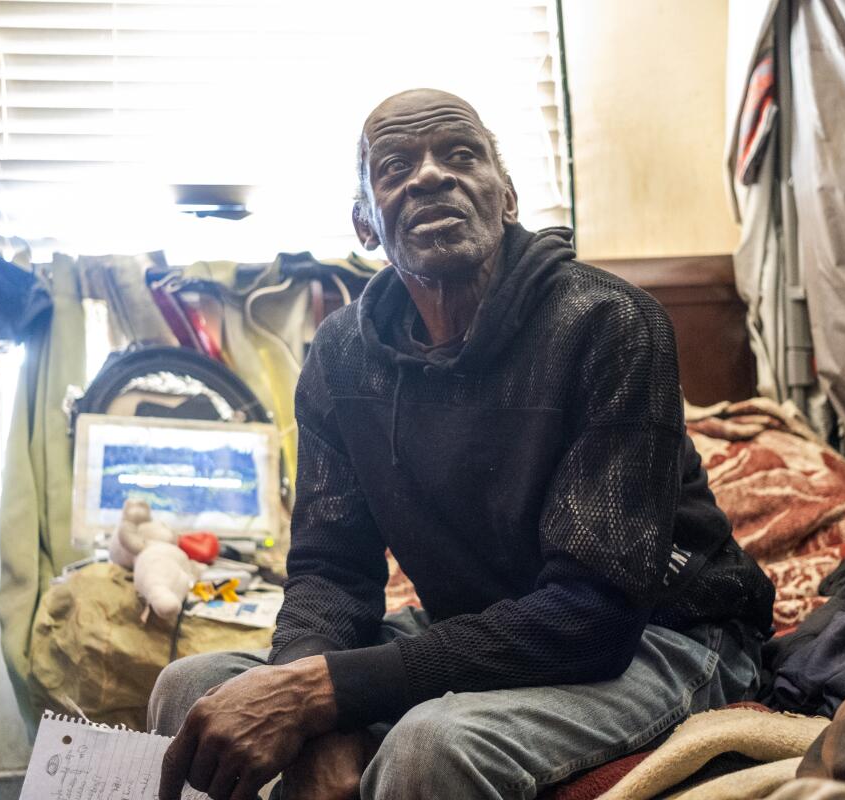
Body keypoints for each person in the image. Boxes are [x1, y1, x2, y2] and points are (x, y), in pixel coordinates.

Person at [152, 88, 775, 800]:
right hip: (482, 625)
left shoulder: (610, 323)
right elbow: (331, 570)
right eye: (394, 166)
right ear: (364, 224)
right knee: (192, 691)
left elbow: (590, 617)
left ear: (506, 197)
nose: (429, 176)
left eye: (460, 155)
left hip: (662, 632)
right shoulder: (340, 357)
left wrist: (328, 692)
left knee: (429, 748)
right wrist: (310, 713)